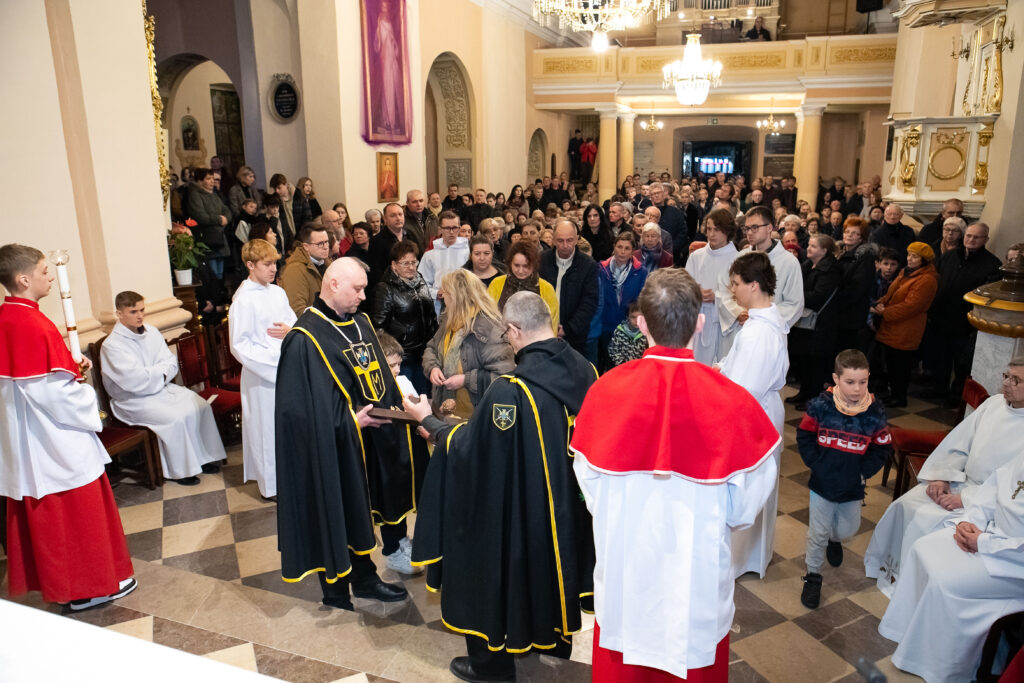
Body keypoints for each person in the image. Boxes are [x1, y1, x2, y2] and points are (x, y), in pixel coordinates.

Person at [571, 267, 780, 681]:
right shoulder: (734, 403)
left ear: (642, 323)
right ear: (700, 324)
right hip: (695, 580)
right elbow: (744, 510)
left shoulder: (604, 392)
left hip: (626, 570)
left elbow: (590, 490)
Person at [405, 291, 598, 682]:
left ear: (514, 329)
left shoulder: (510, 390)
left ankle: (490, 665)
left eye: (507, 334)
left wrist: (429, 420)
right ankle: (550, 638)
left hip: (524, 508)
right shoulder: (586, 370)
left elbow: (473, 450)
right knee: (551, 571)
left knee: (488, 552)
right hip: (569, 507)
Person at [276, 258, 425, 607]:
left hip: (370, 441)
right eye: (357, 289)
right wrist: (348, 423)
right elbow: (298, 412)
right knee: (336, 511)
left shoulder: (361, 323)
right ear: (333, 285)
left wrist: (401, 411)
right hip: (334, 444)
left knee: (361, 511)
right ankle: (335, 592)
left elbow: (379, 379)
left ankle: (365, 578)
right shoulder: (304, 338)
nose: (363, 296)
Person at [0, 244, 137, 610]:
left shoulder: (8, 318)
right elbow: (52, 394)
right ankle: (86, 589)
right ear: (23, 279)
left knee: (55, 513)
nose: (50, 276)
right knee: (75, 512)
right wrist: (83, 391)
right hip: (53, 439)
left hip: (28, 435)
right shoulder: (32, 324)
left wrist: (69, 369)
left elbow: (34, 380)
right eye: (44, 271)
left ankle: (75, 584)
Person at [864, 359, 1024, 596]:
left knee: (928, 524)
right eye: (1006, 376)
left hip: (983, 503)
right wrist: (942, 476)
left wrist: (966, 499)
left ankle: (912, 590)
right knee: (904, 505)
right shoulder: (993, 404)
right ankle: (887, 571)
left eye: (1016, 380)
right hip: (960, 481)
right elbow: (959, 444)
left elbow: (1012, 490)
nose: (1007, 383)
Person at [878, 452, 1024, 683]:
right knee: (922, 548)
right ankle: (909, 637)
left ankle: (940, 667)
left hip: (1014, 564)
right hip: (991, 535)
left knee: (945, 580)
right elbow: (995, 487)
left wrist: (984, 542)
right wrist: (970, 521)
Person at [796, 350, 891, 608]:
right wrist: (817, 463)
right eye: (850, 382)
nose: (857, 389)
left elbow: (882, 446)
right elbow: (805, 436)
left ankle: (834, 539)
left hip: (852, 485)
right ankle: (813, 576)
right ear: (836, 379)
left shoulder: (874, 412)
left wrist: (862, 472)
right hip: (822, 483)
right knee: (817, 533)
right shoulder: (820, 406)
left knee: (847, 529)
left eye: (863, 382)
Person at [100, 291, 226, 485]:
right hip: (133, 400)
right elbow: (133, 379)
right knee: (175, 418)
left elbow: (170, 362)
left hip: (160, 389)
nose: (140, 315)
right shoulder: (112, 345)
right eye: (133, 312)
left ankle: (204, 458)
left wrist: (154, 374)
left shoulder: (151, 332)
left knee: (201, 406)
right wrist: (160, 373)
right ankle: (182, 470)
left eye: (142, 310)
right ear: (119, 314)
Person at [718, 252, 789, 578]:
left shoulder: (760, 332)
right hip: (759, 409)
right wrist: (722, 369)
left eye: (736, 283)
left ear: (754, 285)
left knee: (748, 487)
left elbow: (747, 388)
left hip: (752, 416)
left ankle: (741, 559)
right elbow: (741, 367)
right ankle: (747, 555)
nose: (732, 290)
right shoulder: (762, 322)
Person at [229, 239, 296, 500]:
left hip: (285, 366)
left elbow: (292, 322)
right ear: (250, 265)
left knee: (285, 427)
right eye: (267, 264)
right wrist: (273, 362)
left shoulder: (277, 293)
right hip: (262, 375)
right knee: (266, 430)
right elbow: (239, 345)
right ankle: (271, 487)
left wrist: (290, 331)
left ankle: (289, 477)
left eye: (275, 263)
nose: (273, 269)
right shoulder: (243, 300)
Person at [421, 269, 514, 420]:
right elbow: (431, 348)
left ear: (456, 297)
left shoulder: (491, 328)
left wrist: (466, 380)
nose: (442, 297)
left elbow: (503, 377)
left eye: (445, 293)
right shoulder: (449, 319)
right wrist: (433, 368)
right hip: (444, 413)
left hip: (475, 418)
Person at [927, 221, 1002, 404]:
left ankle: (956, 396)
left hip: (966, 322)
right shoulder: (949, 256)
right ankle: (939, 389)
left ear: (985, 239)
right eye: (969, 235)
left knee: (961, 363)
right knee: (940, 357)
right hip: (941, 317)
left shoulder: (992, 264)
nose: (971, 240)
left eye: (977, 237)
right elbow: (935, 280)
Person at [871, 241, 939, 407]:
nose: (909, 259)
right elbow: (891, 294)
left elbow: (911, 306)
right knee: (892, 363)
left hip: (907, 327)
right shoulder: (905, 272)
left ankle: (899, 397)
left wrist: (884, 312)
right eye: (909, 255)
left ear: (924, 260)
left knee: (901, 365)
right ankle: (893, 394)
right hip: (892, 326)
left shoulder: (927, 280)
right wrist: (880, 303)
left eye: (915, 256)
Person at [721, 206, 805, 334]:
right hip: (740, 328)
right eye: (747, 228)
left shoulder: (789, 262)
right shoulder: (740, 257)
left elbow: (794, 304)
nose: (749, 232)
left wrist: (759, 317)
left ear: (769, 228)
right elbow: (725, 290)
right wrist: (737, 313)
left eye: (755, 227)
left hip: (769, 330)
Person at [373, 241, 438, 397]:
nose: (411, 267)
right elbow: (379, 327)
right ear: (394, 265)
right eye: (405, 263)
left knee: (425, 396)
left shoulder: (420, 280)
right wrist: (390, 356)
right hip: (402, 358)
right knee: (406, 397)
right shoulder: (385, 288)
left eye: (414, 262)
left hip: (424, 354)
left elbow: (430, 315)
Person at [788, 234, 842, 409]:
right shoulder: (808, 265)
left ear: (824, 251)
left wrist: (795, 295)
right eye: (809, 245)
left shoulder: (830, 270)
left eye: (813, 246)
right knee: (804, 361)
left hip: (821, 324)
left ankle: (813, 398)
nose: (808, 249)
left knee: (816, 364)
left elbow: (817, 297)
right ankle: (804, 392)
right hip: (806, 323)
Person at [686, 209, 739, 365]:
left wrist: (717, 297)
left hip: (725, 323)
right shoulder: (697, 256)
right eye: (709, 229)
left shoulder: (738, 259)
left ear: (727, 231)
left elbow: (743, 296)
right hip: (699, 318)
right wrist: (696, 292)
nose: (711, 234)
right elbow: (685, 285)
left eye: (717, 229)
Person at [540, 219, 599, 356]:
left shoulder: (588, 265)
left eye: (569, 240)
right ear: (553, 240)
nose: (565, 245)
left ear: (577, 239)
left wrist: (568, 329)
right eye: (560, 240)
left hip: (575, 337)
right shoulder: (542, 260)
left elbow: (589, 302)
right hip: (544, 332)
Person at [596, 231, 648, 372]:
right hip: (606, 324)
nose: (622, 252)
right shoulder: (601, 269)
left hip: (629, 327)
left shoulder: (640, 271)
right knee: (608, 365)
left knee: (628, 368)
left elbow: (642, 299)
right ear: (614, 247)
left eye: (627, 248)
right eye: (619, 247)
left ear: (632, 251)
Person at [488, 240, 559, 334]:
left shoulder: (547, 289)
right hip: (500, 340)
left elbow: (552, 325)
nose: (520, 271)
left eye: (526, 266)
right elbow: (488, 317)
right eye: (516, 265)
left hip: (535, 341)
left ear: (534, 265)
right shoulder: (496, 284)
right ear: (510, 263)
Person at [834, 217, 877, 353]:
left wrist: (837, 300)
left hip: (852, 315)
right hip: (839, 313)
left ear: (861, 237)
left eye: (854, 233)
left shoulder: (865, 257)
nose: (849, 235)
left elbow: (858, 287)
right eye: (847, 232)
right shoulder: (840, 253)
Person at [417, 210, 468, 316]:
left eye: (455, 228)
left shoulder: (469, 252)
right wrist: (436, 293)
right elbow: (421, 283)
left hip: (464, 302)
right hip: (439, 304)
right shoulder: (430, 255)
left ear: (459, 228)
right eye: (447, 228)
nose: (451, 232)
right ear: (440, 229)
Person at [280, 224, 332, 317]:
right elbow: (297, 310)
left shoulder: (330, 264)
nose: (325, 247)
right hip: (315, 323)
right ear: (306, 246)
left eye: (327, 242)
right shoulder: (295, 270)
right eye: (320, 244)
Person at [187, 168, 231, 279]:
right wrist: (219, 219)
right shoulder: (195, 195)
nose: (212, 181)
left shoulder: (214, 195)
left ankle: (220, 288)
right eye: (208, 178)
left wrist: (226, 218)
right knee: (212, 273)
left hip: (219, 236)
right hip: (207, 237)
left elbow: (226, 210)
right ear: (199, 181)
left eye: (213, 178)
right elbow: (201, 216)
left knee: (220, 273)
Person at [607, 300, 647, 367]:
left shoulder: (646, 334)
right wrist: (622, 364)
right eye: (633, 317)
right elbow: (613, 350)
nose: (637, 320)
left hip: (640, 368)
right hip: (623, 367)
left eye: (640, 317)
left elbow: (649, 351)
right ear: (627, 317)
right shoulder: (619, 332)